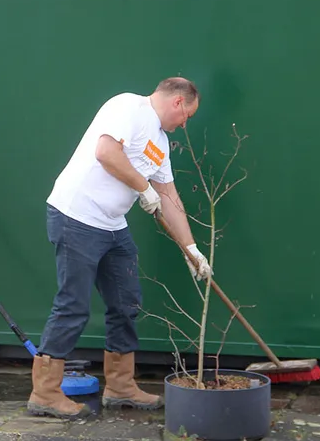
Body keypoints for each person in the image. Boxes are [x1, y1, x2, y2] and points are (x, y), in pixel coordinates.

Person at [27, 77, 212, 419]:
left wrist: (192, 248)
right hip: (77, 217)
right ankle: (45, 393)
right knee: (73, 305)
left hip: (113, 225)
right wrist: (143, 187)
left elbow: (169, 196)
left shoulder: (160, 141)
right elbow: (106, 152)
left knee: (127, 303)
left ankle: (120, 386)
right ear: (178, 102)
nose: (185, 124)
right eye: (188, 115)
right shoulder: (128, 106)